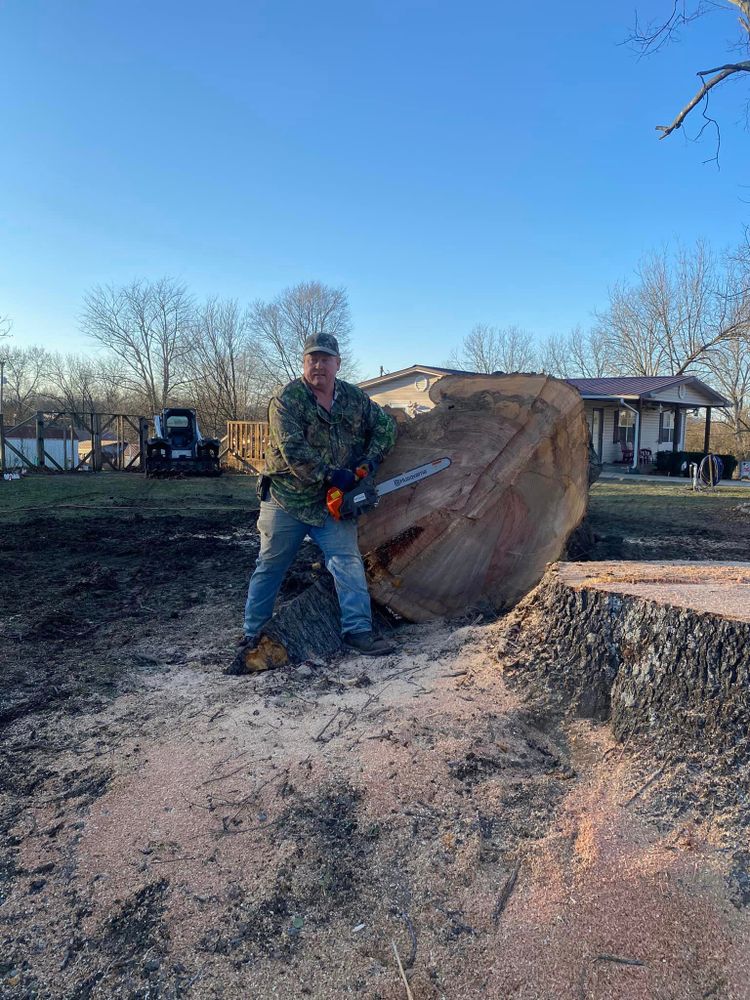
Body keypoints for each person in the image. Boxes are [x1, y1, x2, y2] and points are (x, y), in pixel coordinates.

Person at [235, 332, 397, 664]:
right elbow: (292, 450)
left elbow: (385, 427)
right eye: (312, 359)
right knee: (270, 565)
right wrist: (332, 475)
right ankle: (253, 632)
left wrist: (371, 459)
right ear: (304, 363)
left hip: (331, 504)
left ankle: (358, 631)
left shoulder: (354, 399)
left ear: (338, 363)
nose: (318, 365)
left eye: (325, 359)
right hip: (287, 498)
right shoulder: (287, 400)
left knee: (347, 562)